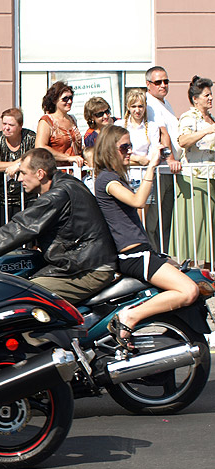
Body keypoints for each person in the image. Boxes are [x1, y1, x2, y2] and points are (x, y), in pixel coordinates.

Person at [0, 148, 116, 305]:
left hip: (87, 269)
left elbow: (19, 229)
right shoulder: (65, 184)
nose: (19, 179)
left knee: (21, 297)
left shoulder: (57, 195)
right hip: (79, 263)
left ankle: (39, 338)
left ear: (40, 174)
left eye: (23, 173)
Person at [93, 124, 198, 349]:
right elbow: (138, 201)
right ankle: (131, 316)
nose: (129, 151)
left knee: (187, 273)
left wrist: (156, 154)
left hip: (142, 251)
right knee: (189, 291)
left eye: (130, 146)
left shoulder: (115, 176)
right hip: (134, 255)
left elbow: (141, 160)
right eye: (124, 147)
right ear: (109, 150)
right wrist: (151, 166)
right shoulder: (106, 180)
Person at [172, 76, 215, 265]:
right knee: (195, 224)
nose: (211, 98)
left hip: (210, 177)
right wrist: (207, 131)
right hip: (194, 179)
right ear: (195, 98)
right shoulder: (189, 118)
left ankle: (207, 267)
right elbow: (183, 140)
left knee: (209, 226)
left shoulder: (211, 118)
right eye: (207, 95)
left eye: (211, 94)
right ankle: (191, 267)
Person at [0, 107, 37, 229]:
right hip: (0, 199)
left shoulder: (30, 137)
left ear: (20, 126)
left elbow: (37, 157)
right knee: (1, 237)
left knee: (26, 237)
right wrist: (14, 164)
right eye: (4, 123)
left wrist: (19, 165)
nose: (6, 127)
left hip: (26, 198)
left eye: (11, 125)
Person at [145, 66, 181, 250]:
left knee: (165, 219)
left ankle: (163, 255)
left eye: (166, 81)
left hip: (169, 170)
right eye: (158, 82)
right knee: (154, 219)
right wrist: (171, 159)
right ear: (148, 84)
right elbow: (163, 134)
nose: (163, 85)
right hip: (160, 169)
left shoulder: (166, 103)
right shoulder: (149, 103)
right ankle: (153, 257)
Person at [119, 89, 161, 195]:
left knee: (141, 211)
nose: (137, 110)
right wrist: (138, 159)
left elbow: (151, 157)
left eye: (140, 106)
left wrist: (129, 160)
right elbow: (115, 155)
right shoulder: (119, 125)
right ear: (128, 107)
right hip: (123, 177)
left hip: (144, 178)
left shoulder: (152, 127)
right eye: (133, 106)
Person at [35, 81, 84, 168]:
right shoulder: (47, 121)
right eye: (65, 98)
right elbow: (40, 147)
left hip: (76, 170)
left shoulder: (72, 119)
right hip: (57, 172)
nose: (69, 101)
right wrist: (68, 158)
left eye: (71, 98)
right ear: (54, 100)